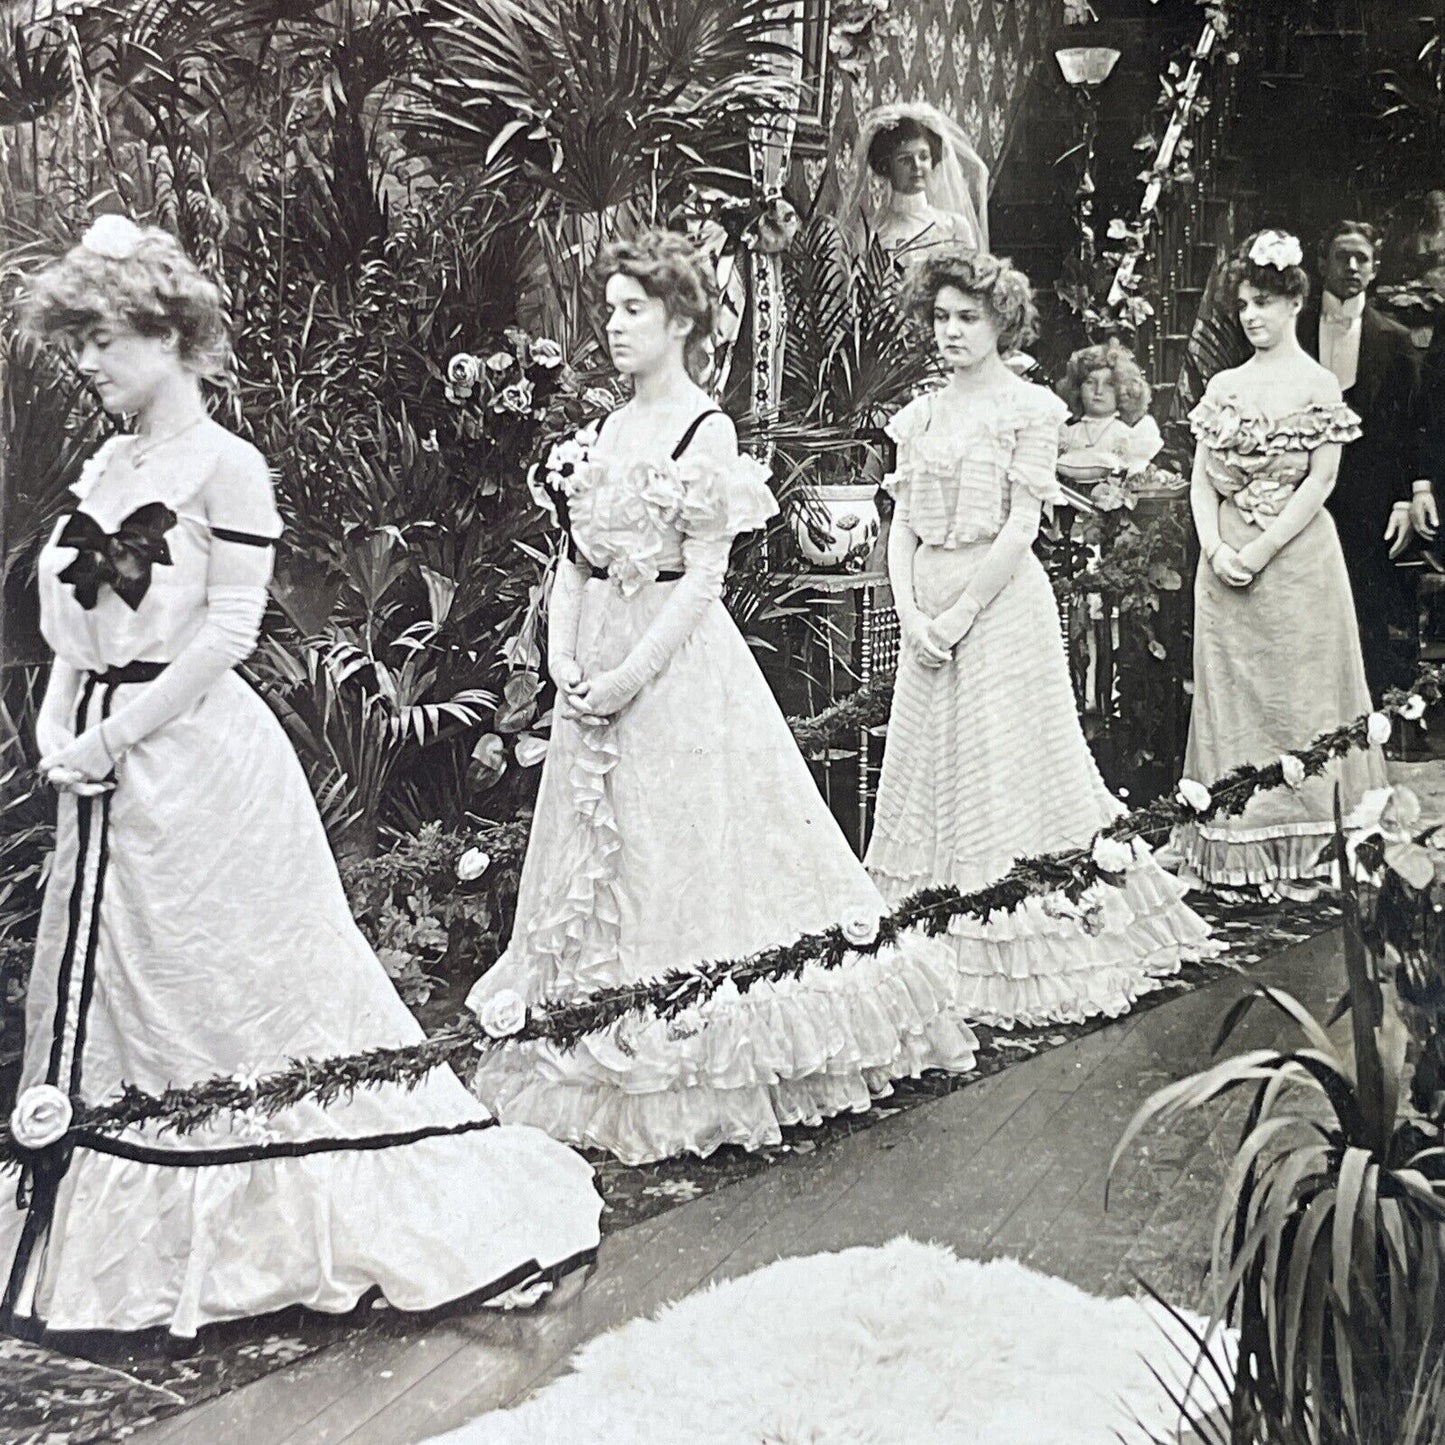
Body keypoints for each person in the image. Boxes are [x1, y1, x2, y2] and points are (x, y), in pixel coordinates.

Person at [1, 216, 601, 1338]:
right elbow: (73, 629)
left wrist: (115, 732)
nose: (86, 364)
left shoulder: (228, 468)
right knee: (128, 989)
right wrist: (56, 723)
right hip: (99, 761)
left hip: (192, 766)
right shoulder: (108, 465)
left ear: (174, 336)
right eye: (76, 341)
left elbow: (226, 632)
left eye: (103, 340)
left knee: (228, 984)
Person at [465, 230, 978, 1164]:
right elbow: (573, 562)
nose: (615, 325)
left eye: (633, 310)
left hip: (675, 666)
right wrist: (566, 660)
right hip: (594, 675)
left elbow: (700, 580)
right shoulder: (601, 435)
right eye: (610, 308)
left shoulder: (706, 432)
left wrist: (623, 678)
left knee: (687, 848)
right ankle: (589, 1013)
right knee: (600, 850)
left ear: (680, 319)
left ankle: (707, 1039)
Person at [862, 247, 1215, 1028]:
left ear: (1000, 323)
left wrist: (957, 617)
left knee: (1001, 762)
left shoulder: (1028, 408)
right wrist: (914, 615)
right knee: (930, 764)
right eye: (940, 318)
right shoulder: (918, 414)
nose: (949, 332)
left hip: (998, 608)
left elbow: (1023, 523)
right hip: (929, 608)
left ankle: (1017, 933)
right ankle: (933, 923)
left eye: (967, 319)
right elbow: (900, 528)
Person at [1176, 230, 1387, 898]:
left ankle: (1311, 837)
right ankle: (1238, 841)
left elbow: (1320, 482)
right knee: (1234, 698)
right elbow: (1201, 480)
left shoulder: (1317, 384)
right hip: (1227, 562)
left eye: (1263, 302)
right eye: (1243, 303)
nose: (1250, 315)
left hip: (1296, 561)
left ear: (1294, 302)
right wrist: (1215, 548)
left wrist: (1261, 549)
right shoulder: (1224, 384)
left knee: (1305, 694)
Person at [1298, 220, 1430, 702]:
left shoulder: (1394, 340)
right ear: (1320, 264)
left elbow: (1410, 426)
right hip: (1300, 491)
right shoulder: (1291, 328)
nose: (1351, 267)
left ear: (1374, 271)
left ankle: (1364, 721)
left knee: (1366, 604)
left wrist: (1403, 498)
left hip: (1369, 499)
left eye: (1361, 259)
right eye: (1341, 256)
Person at [842, 103, 989, 259]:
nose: (917, 165)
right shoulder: (871, 231)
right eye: (905, 159)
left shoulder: (955, 227)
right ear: (887, 166)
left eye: (924, 157)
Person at [1056, 341, 1164, 475]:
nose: (1098, 391)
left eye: (1109, 384)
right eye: (1090, 382)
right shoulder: (1067, 434)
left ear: (1123, 390)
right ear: (1077, 388)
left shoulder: (1128, 436)